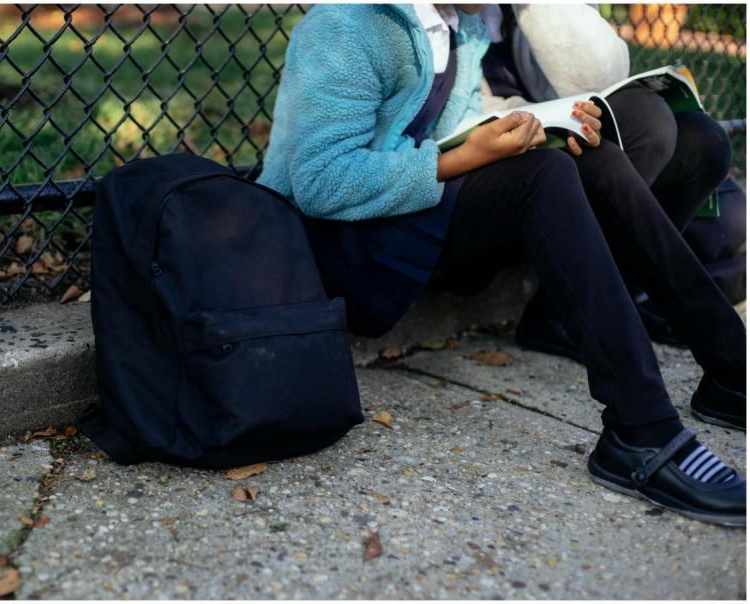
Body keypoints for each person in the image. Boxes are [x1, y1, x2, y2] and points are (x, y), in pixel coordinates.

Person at [256, 3, 746, 525]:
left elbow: (458, 122)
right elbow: (321, 182)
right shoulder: (347, 25)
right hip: (334, 249)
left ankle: (732, 371)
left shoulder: (461, 26)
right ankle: (641, 431)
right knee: (544, 175)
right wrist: (467, 158)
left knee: (587, 155)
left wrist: (542, 124)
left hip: (406, 217)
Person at [474, 4, 739, 360]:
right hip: (485, 181)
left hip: (550, 153)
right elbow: (455, 119)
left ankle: (612, 305)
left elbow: (604, 77)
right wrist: (546, 118)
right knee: (645, 120)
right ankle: (725, 349)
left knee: (703, 141)